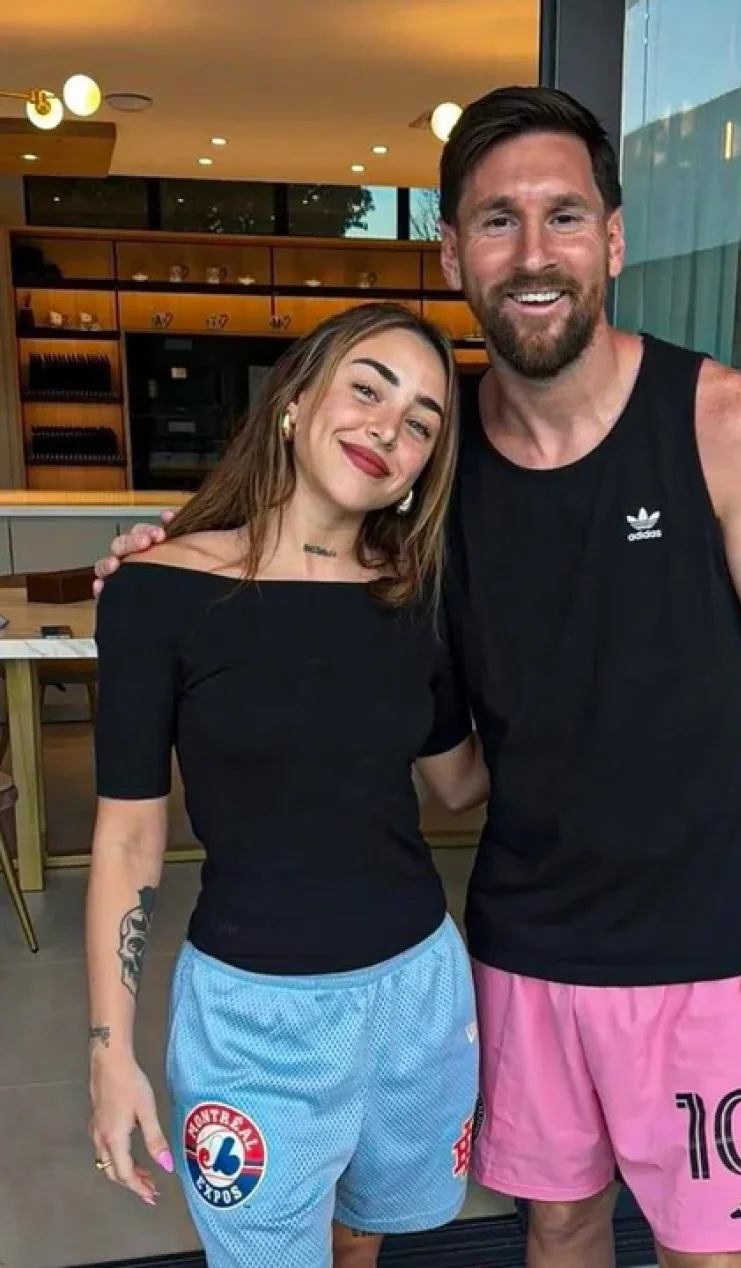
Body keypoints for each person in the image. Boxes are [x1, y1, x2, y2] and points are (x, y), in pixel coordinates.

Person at [94, 86, 741, 1268]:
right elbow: (306, 567)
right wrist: (165, 563)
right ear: (452, 248)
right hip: (518, 930)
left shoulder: (729, 425)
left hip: (702, 936)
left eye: (564, 216)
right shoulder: (432, 472)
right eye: (497, 220)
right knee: (558, 1221)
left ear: (614, 238)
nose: (533, 252)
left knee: (711, 1252)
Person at [86, 302, 488, 1268]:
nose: (390, 428)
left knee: (362, 1241)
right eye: (367, 388)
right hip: (254, 1019)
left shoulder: (414, 598)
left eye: (424, 421)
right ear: (295, 403)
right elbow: (130, 839)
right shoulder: (157, 592)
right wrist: (110, 1052)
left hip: (416, 993)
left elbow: (461, 784)